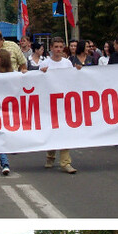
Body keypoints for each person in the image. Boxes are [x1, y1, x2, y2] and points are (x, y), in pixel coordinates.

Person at [41, 37, 79, 174]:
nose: (58, 49)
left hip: (64, 102)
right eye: (56, 47)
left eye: (60, 47)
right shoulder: (44, 63)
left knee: (64, 132)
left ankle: (65, 162)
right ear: (51, 48)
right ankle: (50, 156)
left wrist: (78, 71)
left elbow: (72, 80)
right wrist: (42, 74)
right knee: (52, 131)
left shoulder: (67, 63)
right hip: (49, 103)